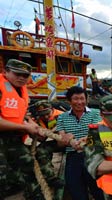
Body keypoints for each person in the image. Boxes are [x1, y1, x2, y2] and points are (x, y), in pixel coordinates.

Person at [0, 59, 45, 199]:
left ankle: (36, 195)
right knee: (6, 178)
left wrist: (31, 122)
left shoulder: (21, 90)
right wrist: (25, 128)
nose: (21, 78)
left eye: (25, 75)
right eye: (17, 73)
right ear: (6, 72)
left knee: (27, 164)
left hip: (13, 137)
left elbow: (20, 112)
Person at [56, 86, 104, 200]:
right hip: (72, 156)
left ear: (87, 100)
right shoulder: (62, 117)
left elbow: (98, 133)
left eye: (82, 99)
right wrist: (67, 139)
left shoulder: (96, 113)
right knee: (76, 190)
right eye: (76, 99)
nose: (79, 102)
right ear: (69, 101)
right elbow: (60, 143)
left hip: (93, 154)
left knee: (98, 190)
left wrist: (85, 140)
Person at [33, 100, 65, 195]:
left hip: (71, 142)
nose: (46, 117)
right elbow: (42, 139)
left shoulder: (62, 115)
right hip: (57, 141)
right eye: (42, 115)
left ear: (52, 109)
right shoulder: (38, 121)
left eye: (47, 114)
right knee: (41, 150)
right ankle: (51, 178)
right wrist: (35, 134)